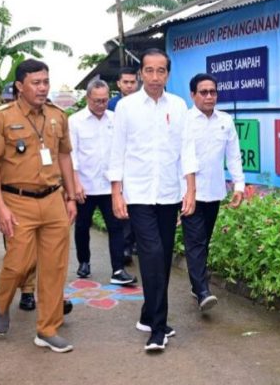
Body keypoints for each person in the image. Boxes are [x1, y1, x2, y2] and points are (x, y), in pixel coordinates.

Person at [0, 59, 77, 353]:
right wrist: (0, 207)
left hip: (52, 199)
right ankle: (2, 300)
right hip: (17, 200)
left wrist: (71, 196)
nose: (42, 87)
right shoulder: (1, 118)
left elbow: (64, 157)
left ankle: (47, 329)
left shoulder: (58, 116)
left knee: (54, 267)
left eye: (46, 81)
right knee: (20, 261)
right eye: (36, 83)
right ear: (20, 86)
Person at [109, 49, 197, 352]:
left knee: (162, 256)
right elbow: (117, 150)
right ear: (141, 74)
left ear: (168, 75)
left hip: (169, 193)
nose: (155, 77)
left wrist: (191, 190)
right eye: (150, 70)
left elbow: (186, 149)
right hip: (139, 194)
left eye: (161, 71)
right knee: (152, 254)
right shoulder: (126, 107)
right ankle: (158, 329)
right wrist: (116, 192)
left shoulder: (179, 105)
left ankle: (148, 315)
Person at [181, 74, 246, 311]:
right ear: (193, 95)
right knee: (195, 241)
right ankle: (202, 291)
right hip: (189, 194)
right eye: (204, 92)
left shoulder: (225, 121)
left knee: (204, 240)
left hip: (215, 191)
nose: (209, 96)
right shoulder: (184, 120)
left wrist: (239, 186)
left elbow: (234, 155)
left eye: (213, 92)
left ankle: (196, 283)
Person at [69, 80, 136, 286]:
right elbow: (72, 155)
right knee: (82, 226)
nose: (101, 104)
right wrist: (75, 183)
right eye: (97, 101)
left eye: (105, 100)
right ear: (88, 98)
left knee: (116, 227)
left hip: (110, 186)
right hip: (85, 185)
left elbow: (124, 151)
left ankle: (118, 269)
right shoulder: (75, 120)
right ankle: (84, 262)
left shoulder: (116, 119)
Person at [107, 67, 139, 267]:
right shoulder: (112, 105)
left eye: (132, 82)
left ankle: (134, 243)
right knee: (125, 207)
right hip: (121, 164)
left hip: (139, 164)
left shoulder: (142, 103)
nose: (129, 85)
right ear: (118, 84)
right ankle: (126, 247)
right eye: (125, 82)